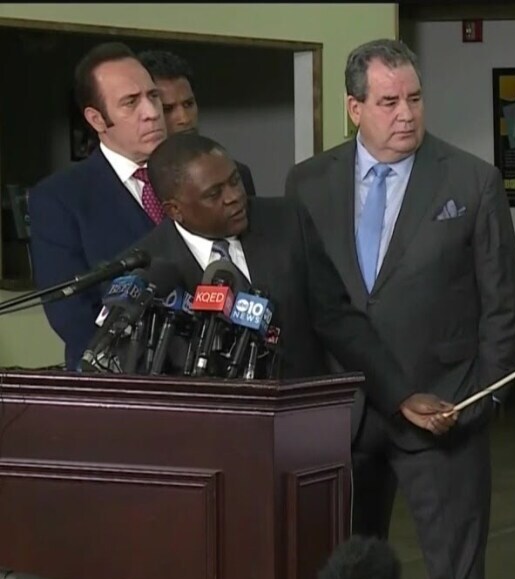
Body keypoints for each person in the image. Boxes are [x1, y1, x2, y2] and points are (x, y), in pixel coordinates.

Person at [284, 39, 515, 579]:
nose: (406, 114)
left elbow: (504, 305)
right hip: (346, 412)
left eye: (415, 98)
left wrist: (481, 401)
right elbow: (307, 300)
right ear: (354, 108)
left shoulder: (472, 180)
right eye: (389, 102)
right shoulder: (307, 183)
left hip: (444, 409)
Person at [132, 132, 456, 437]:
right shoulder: (149, 269)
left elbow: (338, 319)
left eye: (234, 181)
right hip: (211, 440)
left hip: (304, 429)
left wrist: (400, 394)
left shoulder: (286, 221)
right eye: (214, 194)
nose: (234, 197)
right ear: (175, 210)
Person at [29, 42, 168, 370]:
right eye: (130, 102)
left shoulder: (202, 175)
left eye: (153, 96)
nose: (151, 112)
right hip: (118, 379)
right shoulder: (60, 198)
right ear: (96, 119)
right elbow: (71, 315)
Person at [137, 49, 257, 195]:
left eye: (188, 104)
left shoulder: (234, 176)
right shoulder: (137, 182)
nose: (184, 119)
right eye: (167, 109)